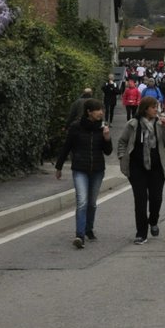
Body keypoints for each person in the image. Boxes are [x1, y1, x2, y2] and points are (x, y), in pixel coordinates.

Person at [116, 95, 165, 244]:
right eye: (153, 107)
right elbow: (122, 141)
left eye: (157, 107)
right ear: (145, 109)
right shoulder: (133, 124)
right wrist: (122, 156)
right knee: (140, 201)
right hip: (137, 168)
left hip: (156, 168)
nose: (156, 110)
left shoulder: (160, 125)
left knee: (156, 199)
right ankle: (141, 233)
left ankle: (153, 220)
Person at [55, 100, 111, 248]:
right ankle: (79, 235)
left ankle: (88, 229)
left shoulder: (102, 127)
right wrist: (59, 166)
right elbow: (67, 146)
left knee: (92, 203)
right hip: (80, 168)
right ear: (89, 112)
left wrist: (107, 138)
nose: (101, 112)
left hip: (97, 169)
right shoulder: (76, 127)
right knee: (82, 202)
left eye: (102, 109)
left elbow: (108, 151)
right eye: (98, 110)